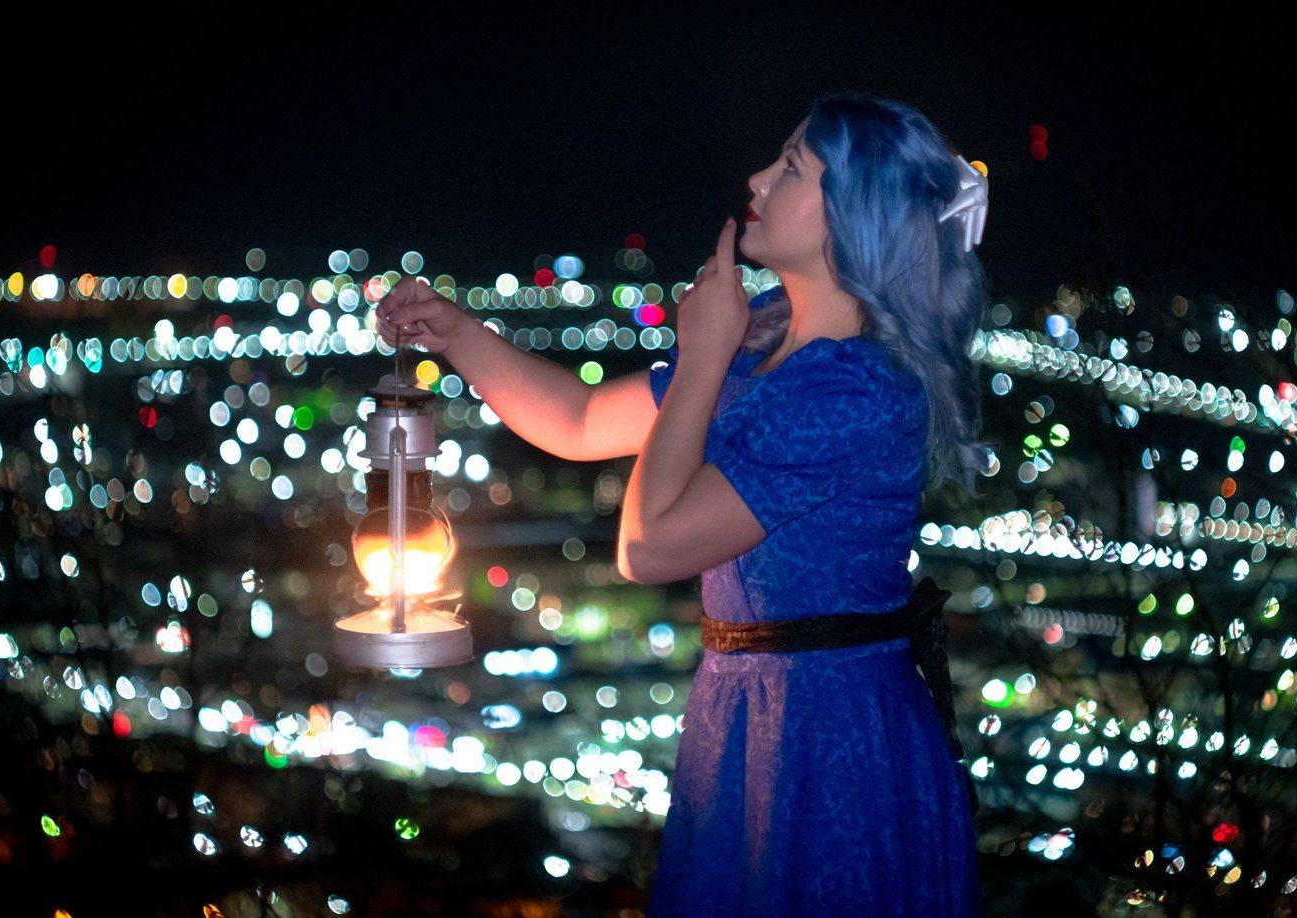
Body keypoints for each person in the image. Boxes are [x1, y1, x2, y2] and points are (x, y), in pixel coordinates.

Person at [377, 89, 990, 916]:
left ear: (854, 214)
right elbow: (582, 418)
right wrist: (458, 335)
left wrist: (701, 357)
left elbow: (650, 547)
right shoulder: (763, 337)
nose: (758, 178)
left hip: (829, 737)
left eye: (792, 168)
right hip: (751, 713)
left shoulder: (858, 388)